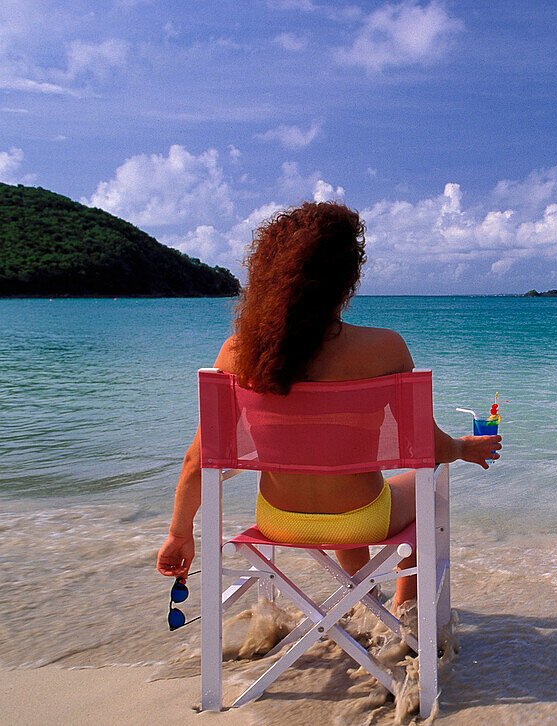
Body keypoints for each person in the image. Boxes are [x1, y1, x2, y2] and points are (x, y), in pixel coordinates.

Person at [155, 201, 501, 608]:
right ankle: (404, 610)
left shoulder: (236, 354)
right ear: (346, 278)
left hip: (278, 520)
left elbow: (196, 461)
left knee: (347, 486)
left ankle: (364, 597)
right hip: (361, 517)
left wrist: (180, 533)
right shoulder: (384, 349)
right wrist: (461, 449)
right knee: (430, 488)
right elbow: (429, 448)